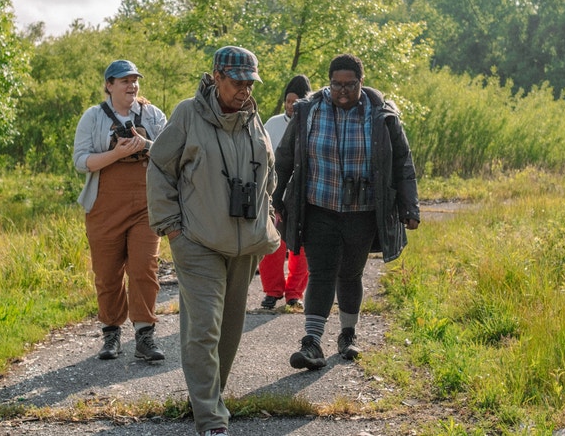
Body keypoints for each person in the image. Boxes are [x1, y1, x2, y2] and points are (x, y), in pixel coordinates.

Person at [147, 46, 280, 436]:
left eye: (250, 83)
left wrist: (266, 213)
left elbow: (269, 172)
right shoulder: (188, 114)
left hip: (245, 245)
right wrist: (172, 228)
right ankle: (211, 420)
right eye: (237, 82)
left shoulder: (252, 118)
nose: (245, 90)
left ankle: (206, 398)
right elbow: (159, 166)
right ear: (216, 77)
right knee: (204, 329)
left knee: (230, 330)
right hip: (198, 242)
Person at [273, 53, 421, 370]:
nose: (342, 91)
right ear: (329, 83)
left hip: (363, 211)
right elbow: (284, 157)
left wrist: (410, 207)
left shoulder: (382, 115)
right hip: (319, 208)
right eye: (336, 85)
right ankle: (312, 342)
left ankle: (348, 335)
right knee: (323, 272)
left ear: (361, 83)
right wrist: (276, 197)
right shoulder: (308, 111)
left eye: (349, 85)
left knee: (351, 274)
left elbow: (402, 163)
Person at [73, 60, 168, 362]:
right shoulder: (93, 117)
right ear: (109, 85)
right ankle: (111, 334)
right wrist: (116, 153)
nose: (131, 85)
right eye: (124, 81)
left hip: (146, 205)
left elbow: (171, 153)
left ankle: (145, 335)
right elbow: (81, 161)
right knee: (108, 273)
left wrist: (146, 144)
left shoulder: (153, 115)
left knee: (144, 267)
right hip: (104, 206)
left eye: (135, 80)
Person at [259, 75, 313, 310]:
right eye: (288, 100)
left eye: (296, 100)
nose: (291, 105)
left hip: (304, 194)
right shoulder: (272, 124)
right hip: (274, 193)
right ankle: (272, 291)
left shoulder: (314, 121)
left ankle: (294, 293)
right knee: (273, 244)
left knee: (300, 248)